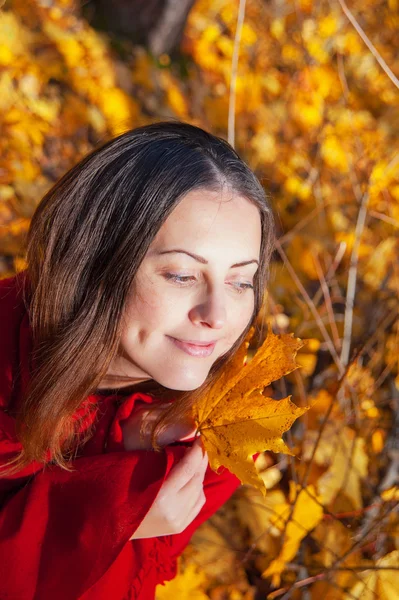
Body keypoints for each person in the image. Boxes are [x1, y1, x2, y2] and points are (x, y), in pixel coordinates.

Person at [0, 121, 275, 599]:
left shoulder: (214, 431)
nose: (217, 315)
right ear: (96, 262)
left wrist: (124, 454)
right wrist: (110, 510)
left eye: (240, 281)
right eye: (182, 275)